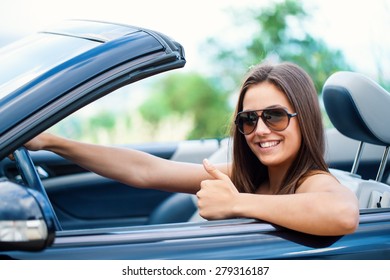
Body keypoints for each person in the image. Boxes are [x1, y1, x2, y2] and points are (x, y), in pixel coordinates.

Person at [22, 62, 359, 236]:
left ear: (305, 119)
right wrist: (53, 142)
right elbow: (146, 171)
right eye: (248, 119)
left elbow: (343, 214)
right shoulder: (250, 175)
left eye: (274, 117)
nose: (259, 130)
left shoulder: (312, 181)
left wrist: (236, 203)